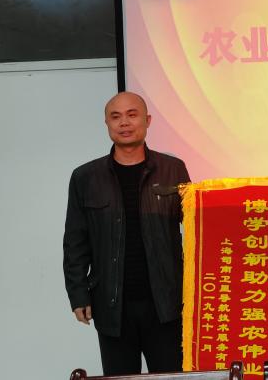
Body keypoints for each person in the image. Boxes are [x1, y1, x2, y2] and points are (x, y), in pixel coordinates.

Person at [63, 92, 191, 375]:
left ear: (147, 121)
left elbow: (196, 228)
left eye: (132, 115)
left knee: (171, 377)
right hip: (112, 306)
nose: (124, 123)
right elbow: (75, 241)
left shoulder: (173, 170)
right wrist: (78, 293)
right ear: (107, 123)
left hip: (166, 304)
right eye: (116, 116)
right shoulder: (85, 177)